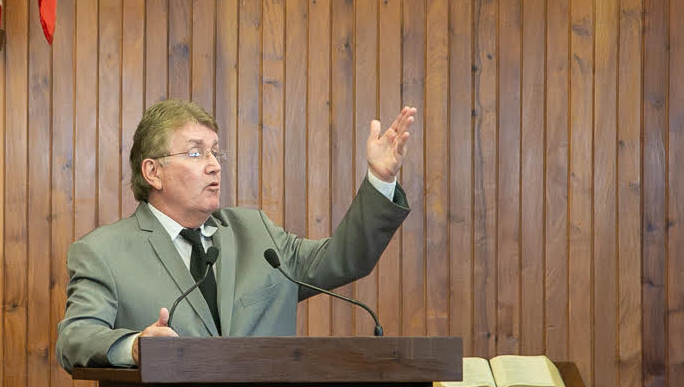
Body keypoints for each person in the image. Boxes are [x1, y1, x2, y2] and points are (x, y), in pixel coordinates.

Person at [56, 99, 416, 370]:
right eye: (196, 153)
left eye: (215, 153)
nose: (214, 165)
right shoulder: (104, 252)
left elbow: (346, 258)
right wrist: (135, 346)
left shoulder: (256, 234)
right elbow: (75, 338)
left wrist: (381, 180)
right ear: (153, 172)